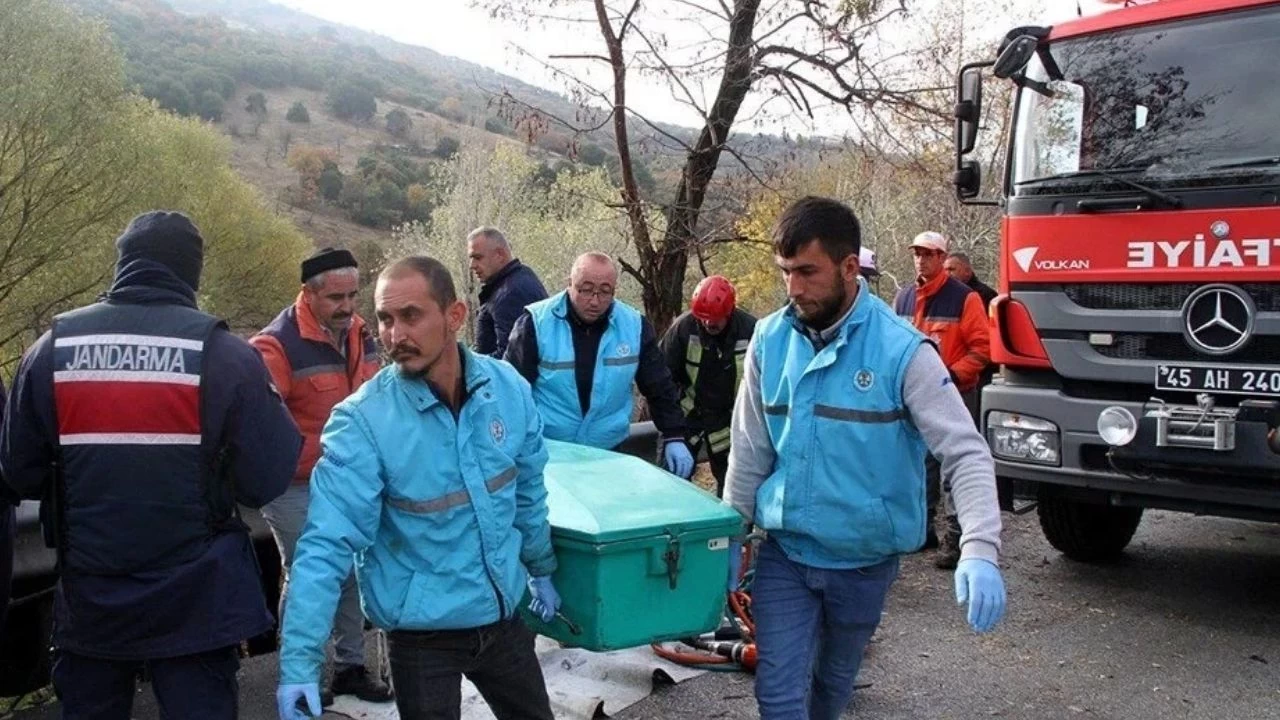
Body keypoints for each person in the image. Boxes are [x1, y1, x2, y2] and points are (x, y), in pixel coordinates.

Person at [0, 211, 301, 719]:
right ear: (192, 272)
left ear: (123, 263)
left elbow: (18, 472)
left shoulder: (51, 350)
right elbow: (266, 480)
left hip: (93, 603)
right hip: (197, 605)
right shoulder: (225, 355)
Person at [724, 196, 1006, 720]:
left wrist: (980, 547)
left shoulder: (903, 352)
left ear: (850, 266)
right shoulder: (770, 340)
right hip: (786, 554)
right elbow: (750, 447)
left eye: (807, 272)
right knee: (778, 694)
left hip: (863, 562)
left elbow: (965, 453)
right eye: (785, 271)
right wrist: (729, 535)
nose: (793, 288)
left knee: (831, 687)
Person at [276, 256, 561, 720]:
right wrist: (298, 664)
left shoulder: (507, 390)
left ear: (455, 315)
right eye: (385, 319)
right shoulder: (364, 422)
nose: (395, 336)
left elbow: (527, 492)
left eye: (411, 316)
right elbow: (324, 546)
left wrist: (541, 566)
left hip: (503, 619)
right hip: (422, 638)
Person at [250, 247, 390, 704]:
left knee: (350, 569)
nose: (347, 306)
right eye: (336, 298)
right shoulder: (275, 346)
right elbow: (257, 424)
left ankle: (350, 667)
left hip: (349, 478)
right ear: (307, 294)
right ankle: (300, 674)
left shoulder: (362, 333)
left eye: (353, 295)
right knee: (309, 572)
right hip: (294, 484)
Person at [504, 252, 694, 478]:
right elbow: (510, 390)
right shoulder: (536, 323)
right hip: (549, 453)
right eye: (586, 290)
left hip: (608, 452)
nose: (595, 301)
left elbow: (659, 385)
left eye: (605, 292)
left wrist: (674, 434)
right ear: (569, 284)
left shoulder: (633, 326)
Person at [894, 231, 992, 568]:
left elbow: (982, 349)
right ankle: (921, 530)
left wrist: (950, 377)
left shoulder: (965, 298)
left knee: (953, 465)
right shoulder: (904, 297)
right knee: (918, 464)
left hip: (956, 394)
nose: (920, 260)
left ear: (941, 257)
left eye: (928, 254)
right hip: (913, 395)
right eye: (917, 253)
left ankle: (955, 536)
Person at [659, 276, 757, 496]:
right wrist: (671, 430)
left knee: (735, 490)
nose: (709, 324)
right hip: (687, 417)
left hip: (731, 421)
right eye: (703, 318)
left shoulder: (750, 331)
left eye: (715, 318)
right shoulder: (683, 329)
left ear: (729, 312)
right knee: (669, 486)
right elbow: (661, 380)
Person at [468, 227, 548, 358]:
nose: (472, 265)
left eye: (478, 257)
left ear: (500, 255)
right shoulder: (518, 277)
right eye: (471, 258)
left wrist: (470, 363)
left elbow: (510, 357)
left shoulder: (510, 293)